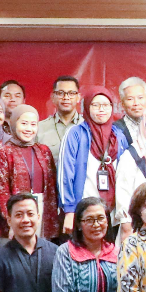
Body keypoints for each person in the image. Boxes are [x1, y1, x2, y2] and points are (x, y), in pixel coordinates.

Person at [60, 89, 131, 236]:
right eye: (96, 105)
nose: (101, 109)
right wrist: (69, 210)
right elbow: (65, 174)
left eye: (106, 105)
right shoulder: (75, 134)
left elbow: (126, 177)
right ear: (87, 107)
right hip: (83, 212)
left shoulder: (118, 135)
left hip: (112, 215)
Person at [0, 105, 63, 240]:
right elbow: (2, 191)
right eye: (24, 123)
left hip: (43, 210)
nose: (28, 129)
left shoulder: (44, 150)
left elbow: (52, 187)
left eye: (33, 124)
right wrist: (10, 219)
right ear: (14, 124)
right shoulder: (5, 152)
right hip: (19, 212)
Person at [36, 76, 83, 162]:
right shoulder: (39, 128)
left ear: (78, 97)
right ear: (53, 97)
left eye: (71, 93)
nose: (66, 97)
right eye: (61, 93)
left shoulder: (87, 127)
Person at [116, 76, 146, 147]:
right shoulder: (116, 130)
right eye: (130, 99)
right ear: (122, 104)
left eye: (140, 98)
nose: (136, 103)